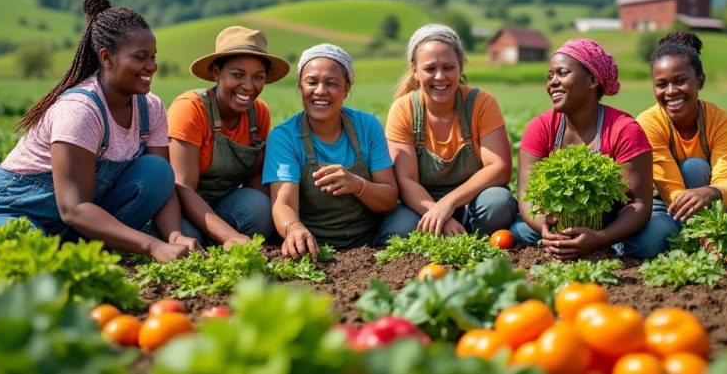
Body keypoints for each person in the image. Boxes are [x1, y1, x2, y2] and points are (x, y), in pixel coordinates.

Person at [0, 0, 200, 262]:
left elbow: (163, 186)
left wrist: (175, 237)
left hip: (75, 227)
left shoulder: (151, 107)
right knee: (25, 252)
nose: (152, 66)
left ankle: (70, 251)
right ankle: (55, 251)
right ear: (106, 58)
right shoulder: (80, 110)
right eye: (140, 57)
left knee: (157, 171)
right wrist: (153, 246)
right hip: (14, 213)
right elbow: (73, 208)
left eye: (153, 57)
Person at [511, 38, 653, 260]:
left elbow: (639, 203)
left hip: (611, 227)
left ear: (593, 80)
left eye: (562, 73)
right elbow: (526, 194)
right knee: (520, 231)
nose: (553, 82)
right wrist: (545, 229)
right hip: (556, 223)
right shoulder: (540, 127)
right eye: (550, 76)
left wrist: (602, 238)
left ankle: (614, 246)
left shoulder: (625, 130)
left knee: (649, 243)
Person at [377, 25, 515, 243]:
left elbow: (499, 168)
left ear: (460, 67)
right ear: (415, 70)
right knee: (400, 230)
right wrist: (438, 215)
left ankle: (466, 237)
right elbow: (405, 180)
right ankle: (452, 235)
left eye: (448, 67)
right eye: (430, 69)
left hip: (473, 201)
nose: (440, 76)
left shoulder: (481, 103)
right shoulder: (404, 109)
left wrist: (448, 203)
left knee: (497, 204)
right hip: (420, 205)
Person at [263, 44, 398, 258]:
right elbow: (284, 202)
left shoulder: (367, 126)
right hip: (314, 247)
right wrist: (293, 228)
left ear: (346, 88)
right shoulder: (284, 136)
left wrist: (357, 185)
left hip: (370, 243)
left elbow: (389, 199)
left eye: (331, 83)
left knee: (406, 223)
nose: (320, 91)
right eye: (311, 82)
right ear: (300, 86)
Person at [166, 26, 290, 248]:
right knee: (187, 233)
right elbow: (182, 187)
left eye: (258, 77)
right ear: (216, 72)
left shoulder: (258, 113)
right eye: (237, 75)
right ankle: (211, 240)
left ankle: (213, 240)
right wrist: (229, 235)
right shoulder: (192, 109)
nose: (249, 86)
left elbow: (254, 179)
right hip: (180, 207)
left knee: (260, 207)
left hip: (224, 206)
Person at [629, 32, 727, 258]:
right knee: (643, 245)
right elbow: (670, 189)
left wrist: (710, 192)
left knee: (694, 167)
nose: (671, 91)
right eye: (661, 84)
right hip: (667, 206)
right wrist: (698, 229)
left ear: (700, 81)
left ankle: (696, 239)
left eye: (680, 81)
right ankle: (694, 241)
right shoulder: (649, 123)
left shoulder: (721, 121)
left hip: (710, 206)